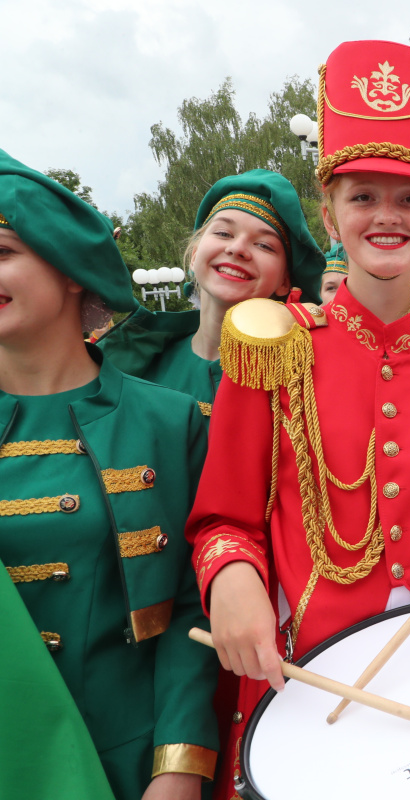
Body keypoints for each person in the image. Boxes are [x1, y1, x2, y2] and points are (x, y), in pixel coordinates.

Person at [186, 41, 410, 800]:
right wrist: (231, 581)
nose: (386, 216)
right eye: (362, 197)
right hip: (318, 689)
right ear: (329, 213)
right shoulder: (275, 354)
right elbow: (223, 520)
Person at [0, 149, 218, 799]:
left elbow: (192, 606)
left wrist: (178, 767)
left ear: (70, 270)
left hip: (128, 766)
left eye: (3, 250)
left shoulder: (168, 420)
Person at [99, 170, 326, 417]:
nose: (238, 248)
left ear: (285, 281)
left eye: (264, 245)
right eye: (223, 233)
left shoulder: (308, 380)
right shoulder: (125, 368)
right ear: (194, 255)